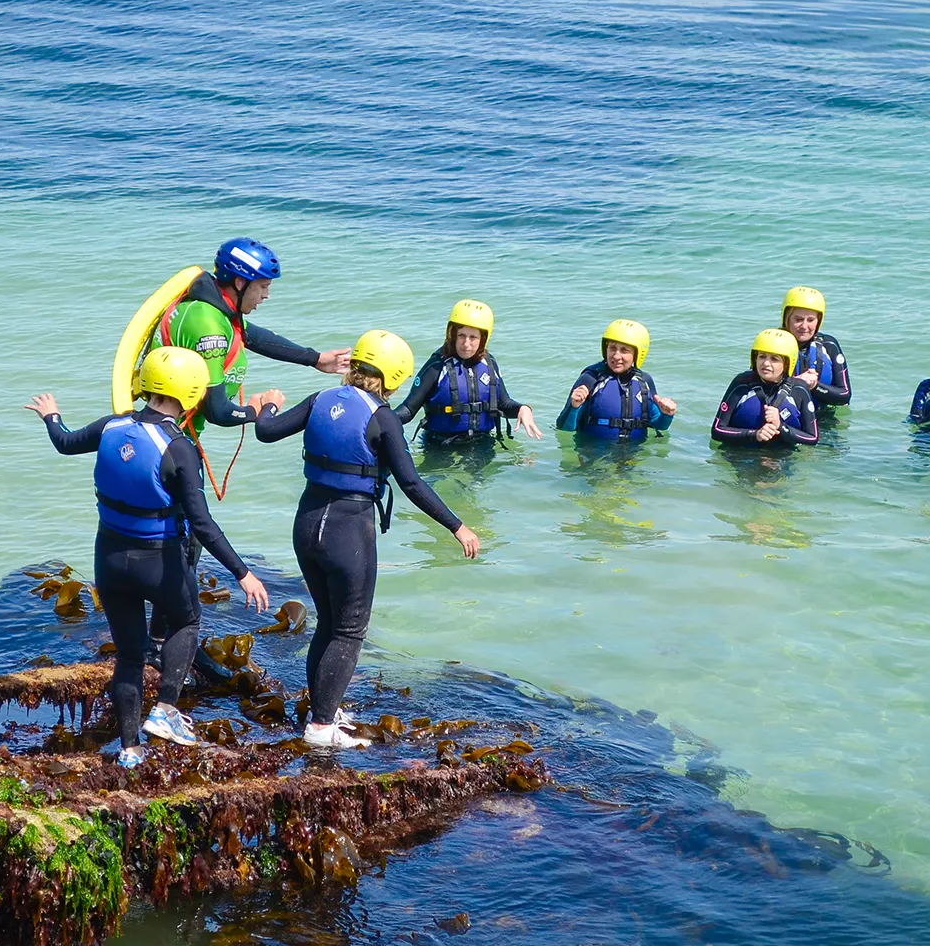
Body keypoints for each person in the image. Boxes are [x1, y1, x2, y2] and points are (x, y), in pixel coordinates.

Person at [25, 347, 270, 768]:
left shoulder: (110, 426)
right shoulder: (179, 447)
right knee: (187, 620)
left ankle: (129, 750)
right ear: (191, 394)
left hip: (109, 556)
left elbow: (65, 443)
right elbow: (203, 524)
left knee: (130, 655)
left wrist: (52, 416)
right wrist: (243, 572)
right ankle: (167, 710)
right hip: (158, 561)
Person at [253, 331, 481, 748]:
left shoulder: (320, 399)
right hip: (347, 531)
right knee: (350, 631)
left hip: (306, 524)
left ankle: (324, 709)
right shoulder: (383, 418)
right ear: (394, 378)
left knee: (329, 622)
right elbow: (411, 483)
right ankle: (322, 727)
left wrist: (265, 405)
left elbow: (266, 431)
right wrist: (456, 525)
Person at [151, 237, 347, 434]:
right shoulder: (209, 328)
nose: (266, 295)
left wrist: (317, 359)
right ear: (240, 282)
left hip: (165, 431)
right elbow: (217, 411)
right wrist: (255, 410)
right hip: (173, 441)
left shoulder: (210, 308)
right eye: (263, 286)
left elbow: (256, 337)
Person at [394, 299, 542, 445]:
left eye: (473, 337)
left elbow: (504, 403)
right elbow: (408, 409)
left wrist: (523, 409)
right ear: (452, 334)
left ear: (483, 338)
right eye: (461, 336)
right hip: (440, 446)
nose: (466, 344)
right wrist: (380, 421)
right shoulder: (437, 365)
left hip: (482, 444)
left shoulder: (489, 363)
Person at [555, 320, 676, 442]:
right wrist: (574, 407)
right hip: (593, 454)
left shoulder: (644, 381)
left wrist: (666, 415)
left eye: (624, 350)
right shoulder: (591, 379)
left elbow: (659, 425)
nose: (616, 356)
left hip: (634, 455)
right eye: (612, 348)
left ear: (637, 354)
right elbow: (564, 428)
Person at [709, 328, 821, 448]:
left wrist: (780, 426)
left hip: (782, 459)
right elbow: (717, 430)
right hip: (741, 455)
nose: (766, 363)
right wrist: (755, 435)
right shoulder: (741, 384)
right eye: (762, 356)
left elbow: (812, 437)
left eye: (774, 359)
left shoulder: (799, 390)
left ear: (787, 364)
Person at [780, 286, 851, 411]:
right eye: (798, 319)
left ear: (818, 321)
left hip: (823, 419)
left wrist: (814, 386)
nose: (804, 326)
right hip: (784, 418)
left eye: (811, 320)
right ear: (786, 318)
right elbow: (757, 389)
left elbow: (845, 395)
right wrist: (797, 383)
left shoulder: (829, 346)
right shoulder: (773, 343)